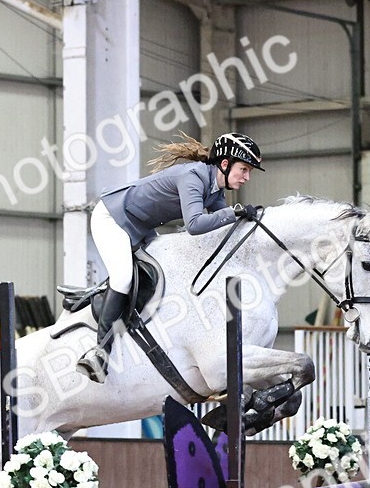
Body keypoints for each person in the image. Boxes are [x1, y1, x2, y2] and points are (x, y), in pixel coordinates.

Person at [75, 131, 265, 382]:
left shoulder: (215, 191)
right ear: (225, 164)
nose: (247, 177)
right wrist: (235, 212)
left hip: (140, 225)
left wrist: (247, 222)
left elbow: (222, 228)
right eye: (244, 169)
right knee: (123, 278)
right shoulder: (193, 177)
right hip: (113, 217)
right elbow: (196, 225)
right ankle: (99, 353)